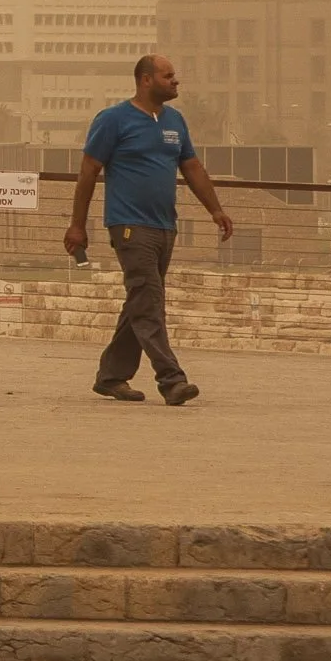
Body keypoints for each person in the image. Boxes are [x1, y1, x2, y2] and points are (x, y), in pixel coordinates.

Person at [64, 55, 232, 406]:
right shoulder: (113, 120)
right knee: (149, 302)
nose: (176, 82)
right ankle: (171, 379)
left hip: (164, 227)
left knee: (141, 301)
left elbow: (193, 167)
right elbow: (87, 172)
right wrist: (77, 225)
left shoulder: (175, 121)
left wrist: (215, 209)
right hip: (129, 227)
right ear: (145, 80)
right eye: (168, 76)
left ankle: (111, 377)